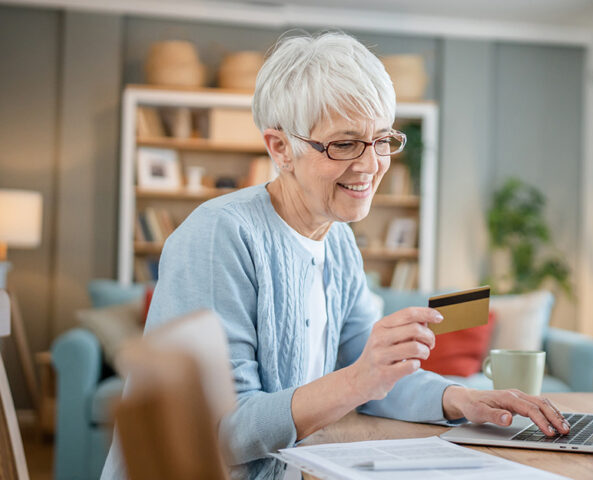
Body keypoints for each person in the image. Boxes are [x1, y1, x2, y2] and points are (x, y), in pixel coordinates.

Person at [102, 32, 569, 480]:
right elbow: (219, 433)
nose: (370, 165)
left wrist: (461, 398)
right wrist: (360, 379)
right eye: (344, 143)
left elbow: (374, 374)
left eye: (382, 139)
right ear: (280, 147)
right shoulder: (220, 235)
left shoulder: (339, 239)